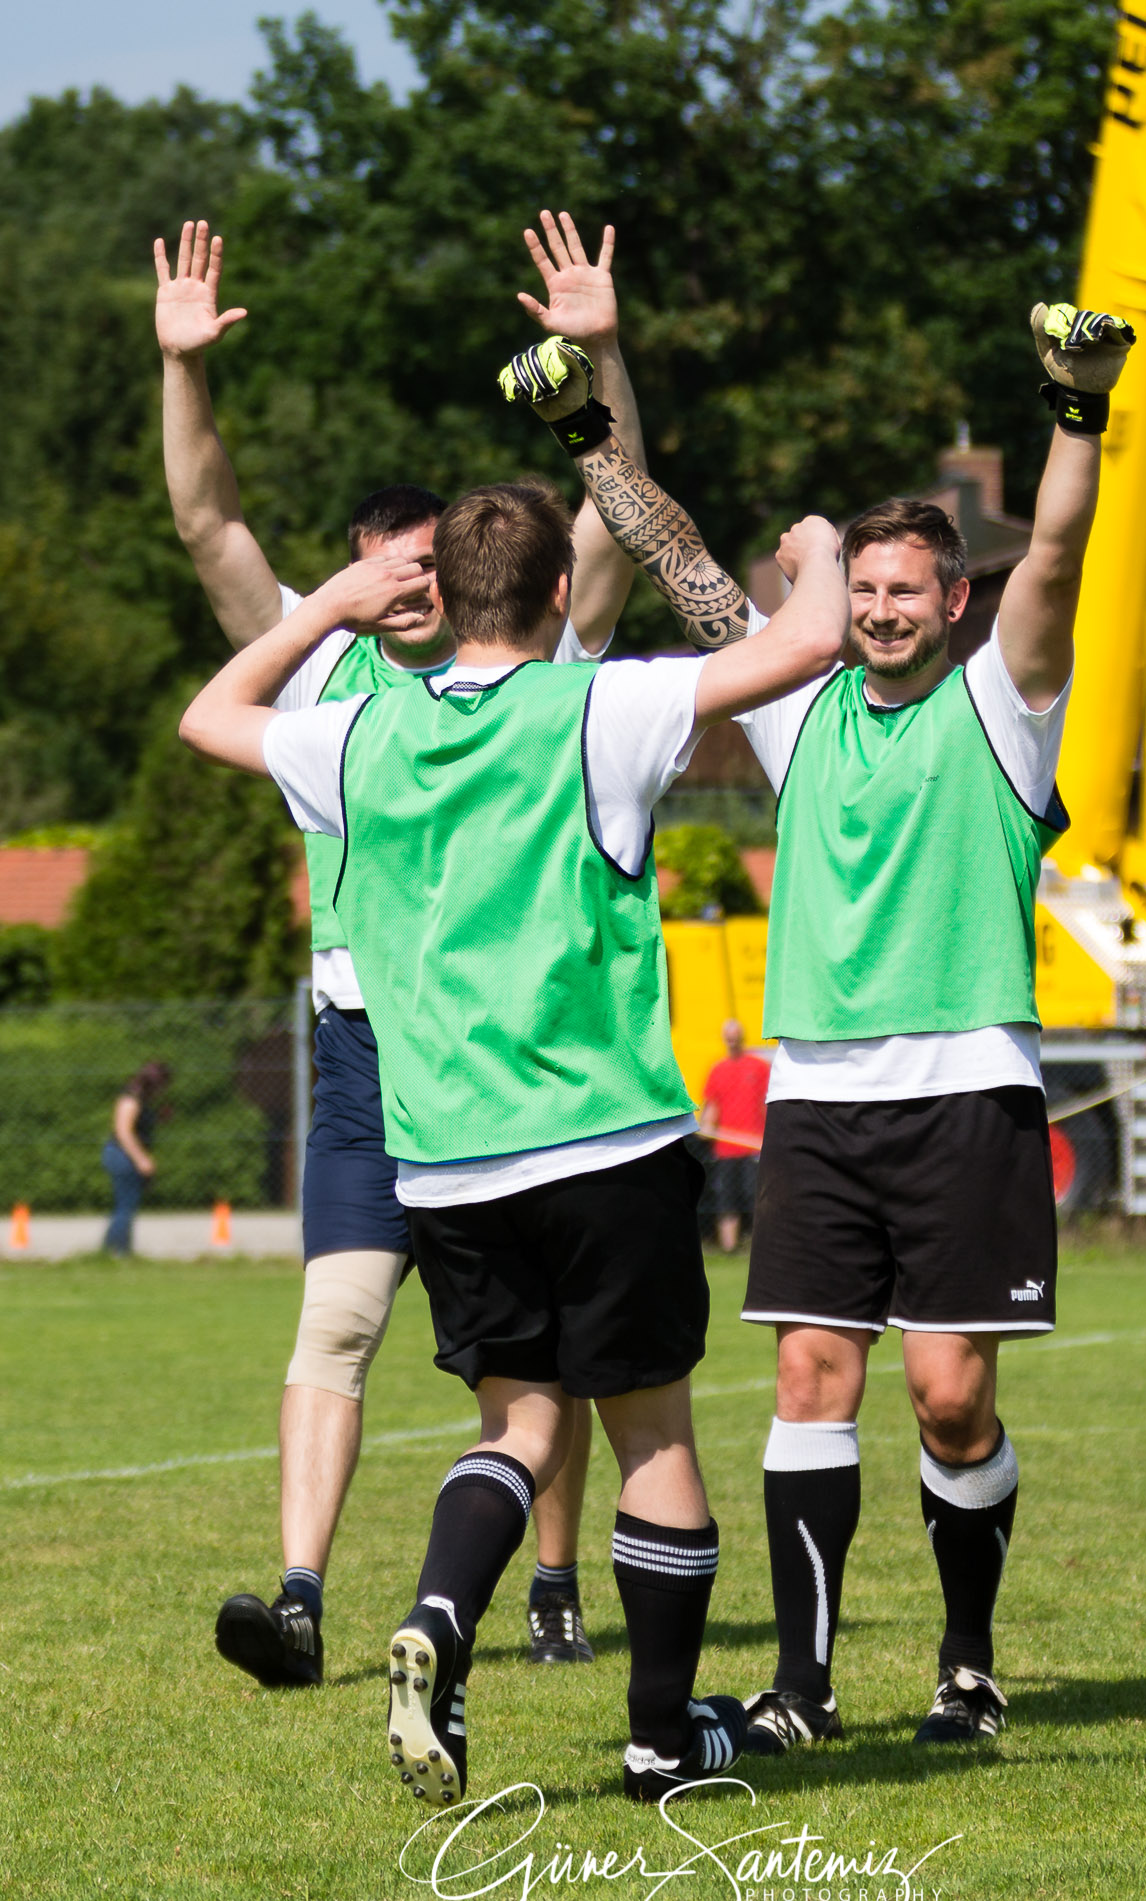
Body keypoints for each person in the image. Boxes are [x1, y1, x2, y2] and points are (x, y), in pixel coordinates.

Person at [178, 419, 850, 1800]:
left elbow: (206, 718)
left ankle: (436, 1617)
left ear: (442, 597)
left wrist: (342, 608)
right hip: (606, 1140)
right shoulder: (598, 704)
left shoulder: (356, 732)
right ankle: (664, 1736)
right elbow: (806, 647)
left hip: (446, 1159)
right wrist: (822, 556)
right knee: (650, 1431)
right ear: (556, 599)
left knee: (516, 1427)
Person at [533, 302, 1134, 1749]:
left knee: (944, 1402)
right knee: (809, 1378)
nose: (878, 612)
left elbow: (1054, 554)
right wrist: (583, 436)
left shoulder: (1003, 704)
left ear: (952, 604)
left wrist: (1074, 405)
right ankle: (802, 1689)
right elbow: (676, 556)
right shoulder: (800, 707)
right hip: (815, 1097)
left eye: (906, 593)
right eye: (861, 590)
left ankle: (967, 1663)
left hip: (963, 1090)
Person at [155, 214, 643, 1678]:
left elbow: (616, 517)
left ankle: (553, 1581)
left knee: (531, 1354)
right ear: (352, 578)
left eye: (423, 565)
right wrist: (182, 373)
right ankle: (298, 1597)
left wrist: (604, 352)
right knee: (343, 1316)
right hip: (367, 1041)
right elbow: (208, 526)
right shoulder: (325, 668)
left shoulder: (539, 653)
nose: (403, 589)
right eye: (377, 572)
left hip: (511, 1033)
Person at [699, 1021, 769, 1252]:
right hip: (726, 1150)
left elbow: (768, 1103)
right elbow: (711, 1107)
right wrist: (707, 1125)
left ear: (742, 1037)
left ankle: (762, 1247)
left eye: (736, 1035)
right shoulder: (718, 1070)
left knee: (758, 1200)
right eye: (728, 1036)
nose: (732, 1040)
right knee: (726, 1201)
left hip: (754, 1148)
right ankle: (729, 1249)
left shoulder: (759, 1067)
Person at [101, 1062, 173, 1256]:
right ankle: (117, 1251)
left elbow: (138, 1125)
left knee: (127, 1204)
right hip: (122, 1154)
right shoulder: (130, 1098)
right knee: (126, 1205)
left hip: (126, 1154)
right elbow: (123, 1132)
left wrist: (158, 1118)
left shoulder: (141, 1099)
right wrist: (141, 1159)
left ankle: (114, 1249)